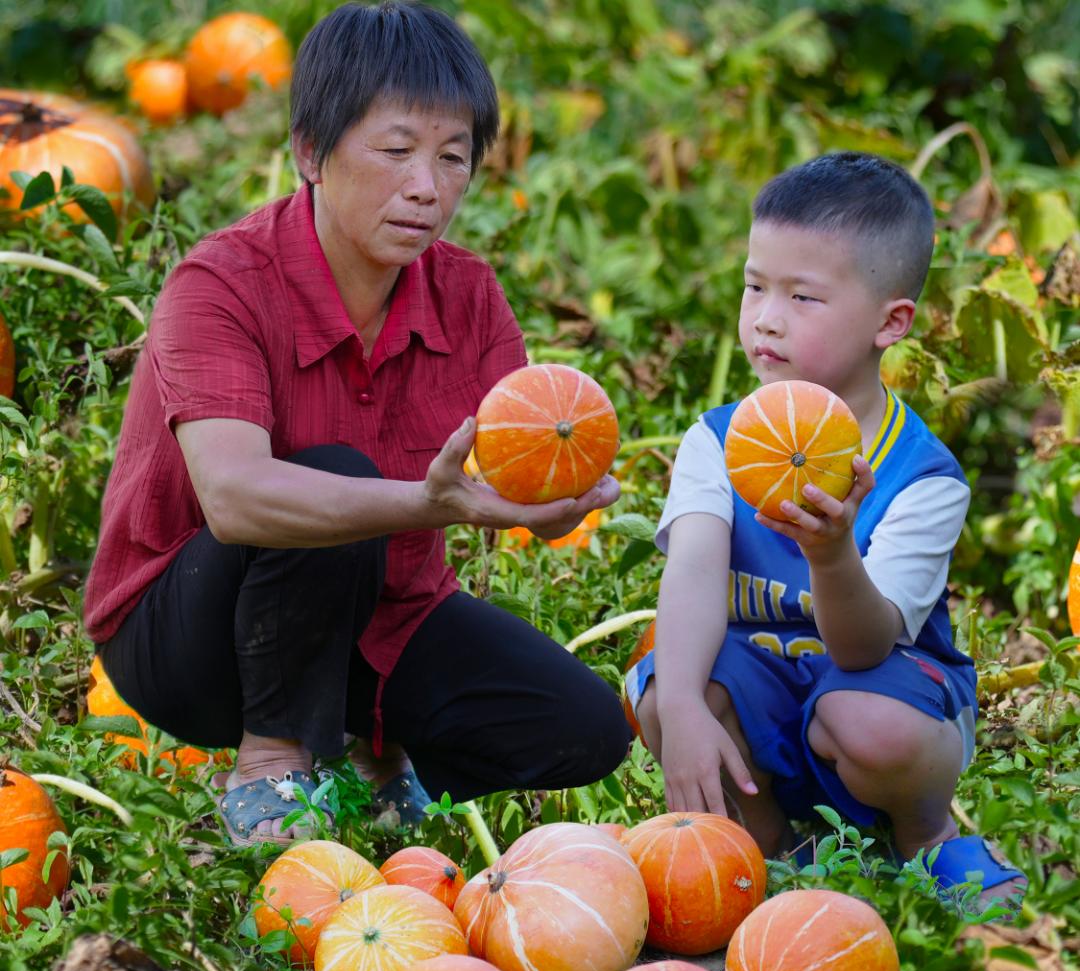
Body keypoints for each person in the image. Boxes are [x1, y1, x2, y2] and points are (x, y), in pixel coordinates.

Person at [83, 0, 630, 846]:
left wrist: (554, 491)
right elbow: (234, 498)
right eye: (397, 150)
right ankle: (274, 761)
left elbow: (516, 453)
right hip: (190, 639)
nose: (427, 187)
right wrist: (430, 504)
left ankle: (374, 760)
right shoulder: (220, 283)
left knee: (587, 726)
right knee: (339, 468)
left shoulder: (469, 294)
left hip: (382, 618)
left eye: (453, 159)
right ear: (310, 152)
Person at [625, 152, 1027, 912]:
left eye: (804, 296)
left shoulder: (921, 477)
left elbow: (864, 648)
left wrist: (831, 550)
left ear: (891, 322)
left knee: (866, 718)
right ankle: (774, 848)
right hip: (768, 693)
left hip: (882, 696)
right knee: (666, 688)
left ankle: (925, 839)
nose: (766, 317)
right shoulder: (716, 443)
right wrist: (678, 705)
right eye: (754, 286)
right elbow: (695, 578)